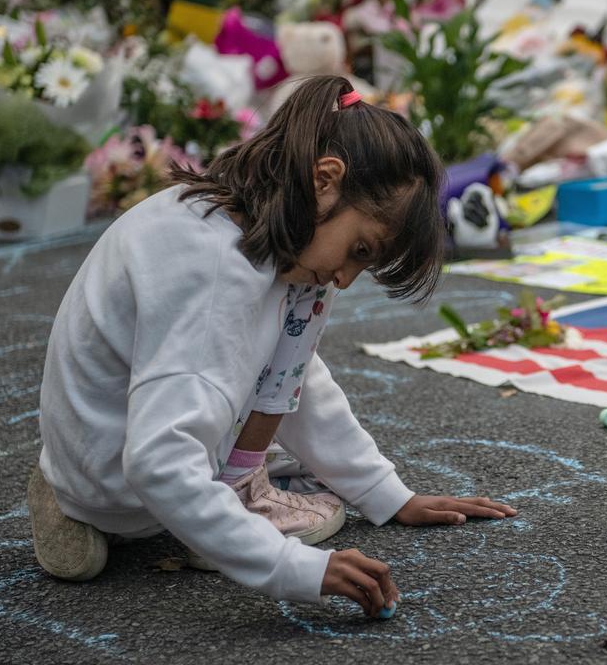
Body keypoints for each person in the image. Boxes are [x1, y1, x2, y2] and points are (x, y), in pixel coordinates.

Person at [28, 76, 516, 617]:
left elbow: (296, 378)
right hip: (123, 480)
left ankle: (182, 505)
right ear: (325, 180)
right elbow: (160, 462)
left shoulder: (251, 227)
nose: (347, 278)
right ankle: (77, 500)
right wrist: (294, 566)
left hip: (125, 452)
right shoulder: (211, 272)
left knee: (301, 322)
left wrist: (386, 495)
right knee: (288, 498)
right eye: (358, 250)